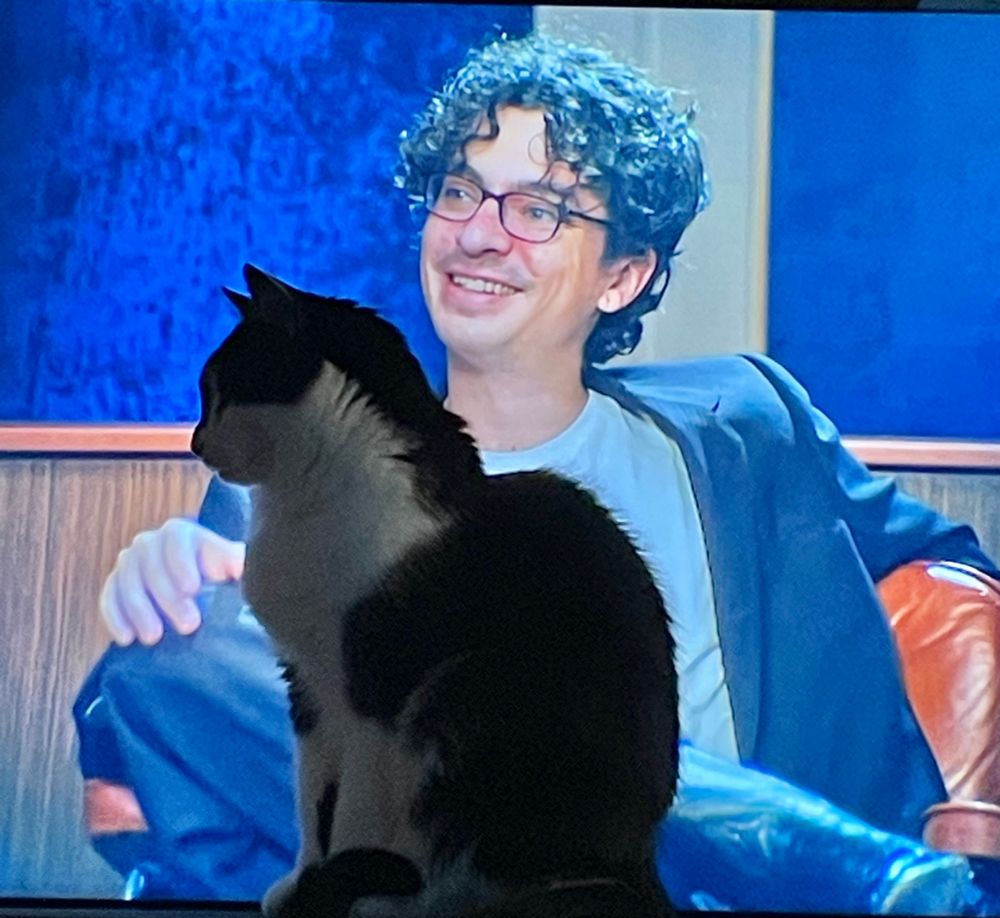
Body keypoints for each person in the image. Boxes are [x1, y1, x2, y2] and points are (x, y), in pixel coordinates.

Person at [76, 33, 999, 912]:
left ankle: (815, 861)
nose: (479, 236)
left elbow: (951, 567)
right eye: (459, 193)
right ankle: (826, 861)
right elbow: (160, 721)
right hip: (476, 885)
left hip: (720, 904)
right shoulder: (288, 469)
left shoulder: (747, 419)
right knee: (180, 648)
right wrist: (158, 588)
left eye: (538, 209)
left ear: (623, 276)